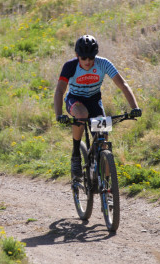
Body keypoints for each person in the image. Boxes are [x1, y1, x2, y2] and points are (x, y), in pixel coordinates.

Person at [54, 34, 142, 180]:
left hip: (94, 102)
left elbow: (123, 84)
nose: (88, 62)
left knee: (104, 142)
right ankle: (76, 154)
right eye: (83, 58)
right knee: (81, 115)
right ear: (77, 55)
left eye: (91, 58)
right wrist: (59, 114)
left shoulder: (103, 64)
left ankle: (106, 187)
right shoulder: (70, 66)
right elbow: (59, 91)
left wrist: (135, 107)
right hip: (75, 100)